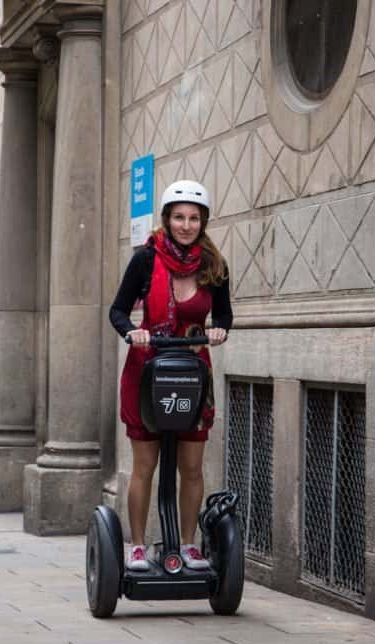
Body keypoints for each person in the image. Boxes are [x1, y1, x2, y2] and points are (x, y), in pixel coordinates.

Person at [108, 180, 232, 571]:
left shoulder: (214, 264)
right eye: (179, 217)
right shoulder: (146, 260)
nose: (186, 225)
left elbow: (225, 314)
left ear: (204, 221)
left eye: (194, 218)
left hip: (192, 373)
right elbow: (117, 310)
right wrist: (132, 330)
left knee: (191, 466)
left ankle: (190, 546)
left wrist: (219, 329)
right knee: (145, 465)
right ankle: (139, 547)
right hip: (148, 369)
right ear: (166, 219)